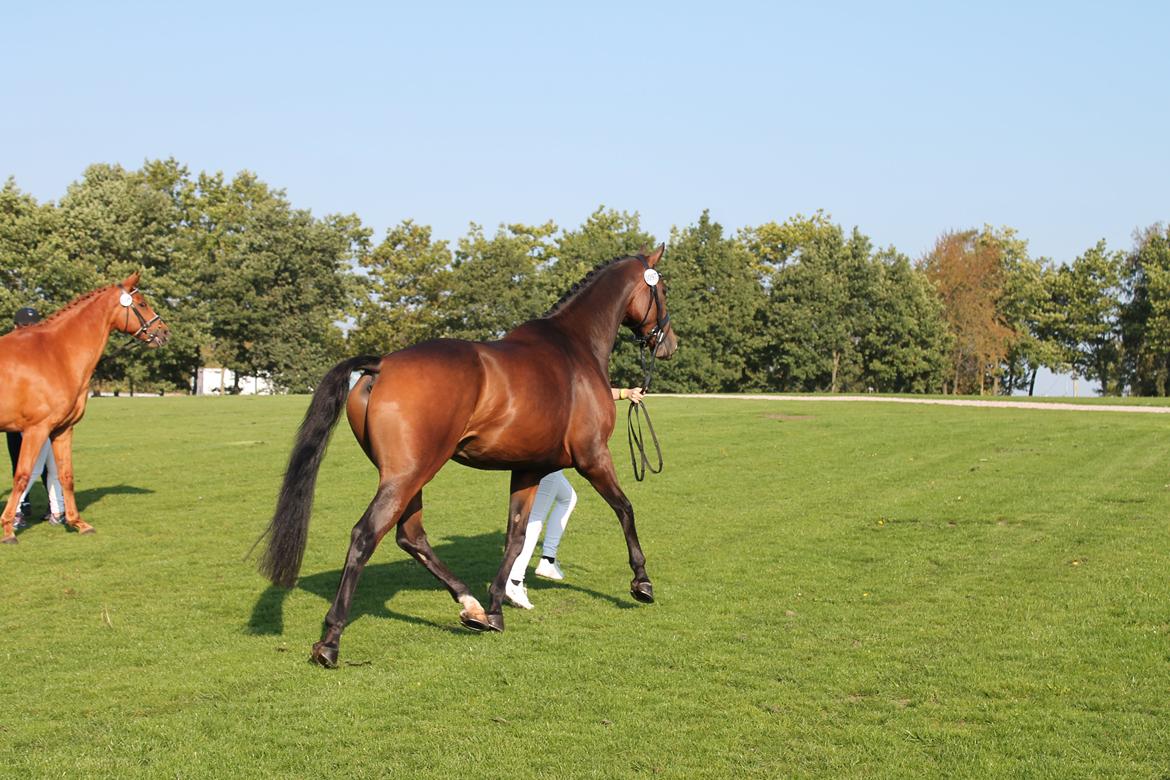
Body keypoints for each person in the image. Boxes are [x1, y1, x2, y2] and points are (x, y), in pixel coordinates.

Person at [505, 385, 646, 610]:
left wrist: (625, 393)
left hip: (549, 450)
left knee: (568, 498)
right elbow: (583, 389)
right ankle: (513, 581)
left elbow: (584, 390)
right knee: (534, 518)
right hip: (546, 454)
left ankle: (547, 560)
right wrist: (623, 393)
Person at [6, 307, 52, 529]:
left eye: (32, 327)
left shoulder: (46, 352)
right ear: (16, 327)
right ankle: (21, 507)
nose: (28, 331)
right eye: (25, 327)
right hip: (15, 417)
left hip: (40, 416)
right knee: (19, 461)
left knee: (46, 463)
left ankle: (54, 506)